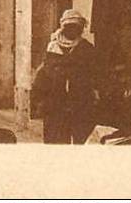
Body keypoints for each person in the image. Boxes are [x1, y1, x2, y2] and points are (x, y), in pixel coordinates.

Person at [31, 9, 99, 144]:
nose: (73, 30)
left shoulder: (86, 48)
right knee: (56, 142)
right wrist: (37, 99)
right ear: (63, 27)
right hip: (55, 104)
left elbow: (94, 74)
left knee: (82, 141)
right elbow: (43, 74)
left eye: (76, 27)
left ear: (81, 29)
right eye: (69, 27)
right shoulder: (52, 47)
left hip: (80, 103)